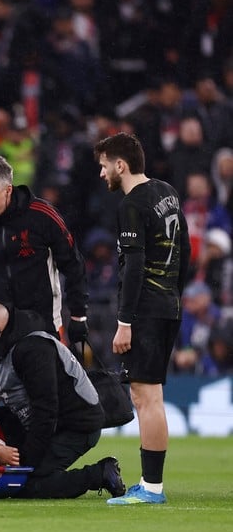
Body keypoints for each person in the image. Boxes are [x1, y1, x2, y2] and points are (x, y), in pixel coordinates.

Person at [94, 132, 191, 505]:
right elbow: (184, 248)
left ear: (120, 165)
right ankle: (151, 485)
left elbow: (133, 266)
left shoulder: (131, 204)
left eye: (104, 165)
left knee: (145, 396)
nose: (102, 173)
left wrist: (124, 322)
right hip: (168, 305)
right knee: (152, 396)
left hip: (146, 311)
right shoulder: (167, 192)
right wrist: (174, 293)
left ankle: (151, 488)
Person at [0, 301, 126, 499]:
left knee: (23, 484)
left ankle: (99, 473)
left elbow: (46, 411)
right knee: (14, 476)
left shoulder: (34, 349)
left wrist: (25, 462)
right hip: (46, 424)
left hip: (76, 425)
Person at [0, 154, 89, 344]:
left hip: (42, 321)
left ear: (8, 190)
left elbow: (73, 264)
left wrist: (78, 315)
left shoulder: (42, 216)